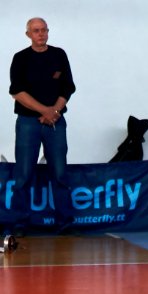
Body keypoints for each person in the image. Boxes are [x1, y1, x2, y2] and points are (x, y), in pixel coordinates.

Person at [8, 17, 76, 235]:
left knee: (60, 173)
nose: (41, 34)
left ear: (48, 31)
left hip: (56, 122)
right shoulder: (21, 58)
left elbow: (68, 87)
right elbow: (17, 92)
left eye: (44, 30)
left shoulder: (59, 55)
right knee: (24, 174)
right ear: (28, 34)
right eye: (36, 31)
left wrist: (54, 111)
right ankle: (20, 223)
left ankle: (64, 222)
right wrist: (44, 111)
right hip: (29, 122)